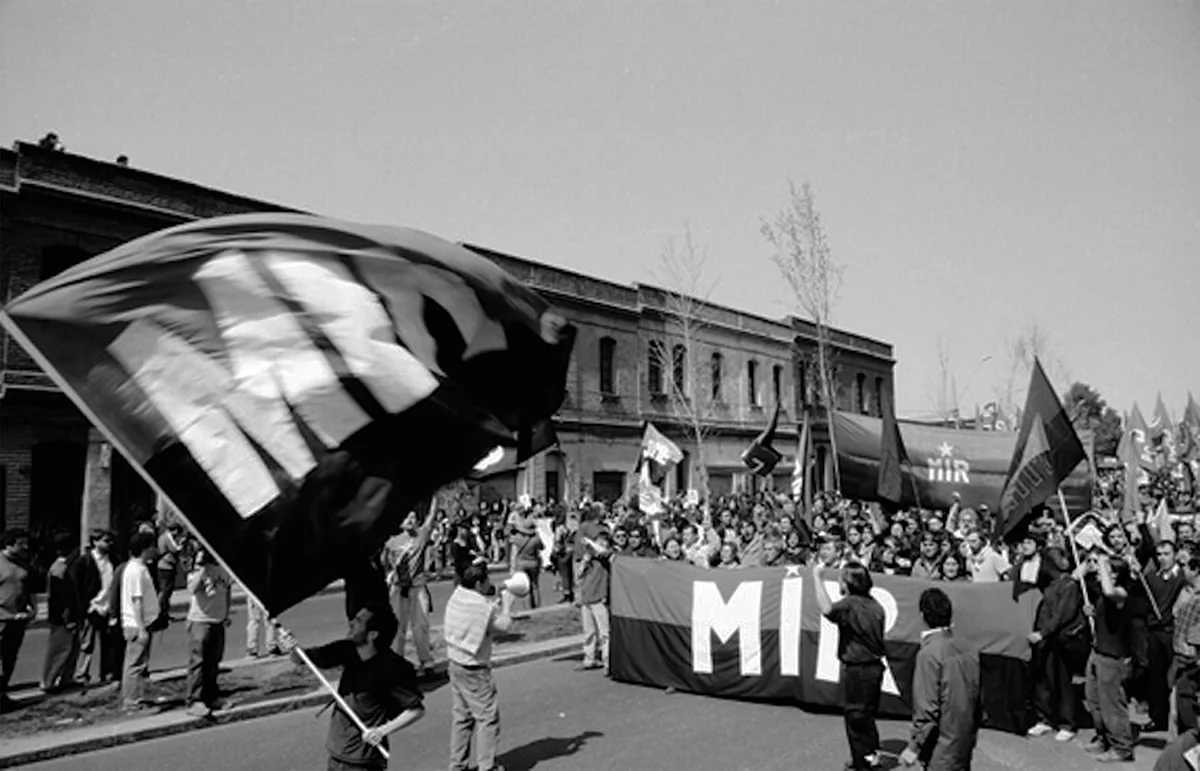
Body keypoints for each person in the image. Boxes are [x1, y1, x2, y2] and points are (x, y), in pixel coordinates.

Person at [285, 604, 425, 771]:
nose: (351, 622)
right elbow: (303, 658)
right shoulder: (346, 649)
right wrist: (292, 649)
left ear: (373, 634)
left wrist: (381, 731)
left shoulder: (391, 668)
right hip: (337, 750)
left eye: (359, 621)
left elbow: (416, 710)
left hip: (363, 759)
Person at [813, 561, 886, 770]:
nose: (839, 582)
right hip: (872, 669)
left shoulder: (850, 604)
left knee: (857, 719)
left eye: (841, 579)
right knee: (866, 719)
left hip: (859, 669)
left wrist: (817, 577)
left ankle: (865, 764)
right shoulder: (874, 604)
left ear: (849, 582)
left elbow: (827, 609)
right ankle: (867, 759)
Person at [898, 587, 981, 770]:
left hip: (941, 746)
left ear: (922, 615)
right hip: (964, 739)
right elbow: (977, 698)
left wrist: (914, 747)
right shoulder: (969, 647)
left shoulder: (929, 654)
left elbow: (927, 710)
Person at [443, 563, 516, 771]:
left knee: (462, 717)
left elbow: (483, 613)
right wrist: (508, 606)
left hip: (455, 662)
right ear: (477, 583)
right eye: (486, 582)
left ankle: (457, 765)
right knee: (487, 718)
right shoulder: (483, 607)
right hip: (474, 668)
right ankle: (487, 766)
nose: (489, 585)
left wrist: (495, 600)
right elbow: (502, 627)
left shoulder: (458, 596)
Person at [1080, 549, 1137, 763]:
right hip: (1098, 651)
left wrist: (1104, 563)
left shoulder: (1123, 591)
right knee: (1094, 700)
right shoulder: (1103, 593)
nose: (1097, 569)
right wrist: (1092, 612)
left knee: (1112, 703)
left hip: (1113, 658)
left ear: (1115, 573)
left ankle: (1122, 748)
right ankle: (1103, 738)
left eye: (1104, 569)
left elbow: (1109, 591)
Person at [1026, 546, 1088, 742]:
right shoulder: (1047, 584)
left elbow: (1063, 615)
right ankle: (1045, 719)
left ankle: (1067, 723)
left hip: (1060, 641)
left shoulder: (1068, 585)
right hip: (1045, 641)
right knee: (1043, 680)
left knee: (1062, 683)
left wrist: (1043, 633)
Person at [383, 506, 439, 674]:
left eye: (413, 517)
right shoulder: (392, 542)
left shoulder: (421, 536)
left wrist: (436, 496)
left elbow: (432, 517)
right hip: (398, 589)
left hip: (417, 587)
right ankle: (396, 660)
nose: (410, 520)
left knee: (420, 626)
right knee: (397, 627)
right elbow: (385, 563)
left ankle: (426, 660)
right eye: (406, 517)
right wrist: (389, 575)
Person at [185, 546, 232, 717]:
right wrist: (202, 569)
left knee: (213, 661)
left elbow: (227, 591)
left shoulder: (223, 569)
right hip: (200, 620)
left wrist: (226, 613)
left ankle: (211, 696)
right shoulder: (197, 571)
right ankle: (194, 700)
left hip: (217, 620)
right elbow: (191, 588)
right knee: (198, 662)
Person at [68, 528, 119, 684]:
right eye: (105, 540)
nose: (109, 544)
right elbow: (75, 586)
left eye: (110, 540)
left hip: (108, 607)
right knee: (87, 643)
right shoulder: (84, 562)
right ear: (95, 542)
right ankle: (81, 674)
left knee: (109, 642)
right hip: (91, 607)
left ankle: (108, 673)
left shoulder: (113, 560)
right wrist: (82, 607)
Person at [120, 530, 159, 711]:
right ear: (144, 549)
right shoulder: (135, 571)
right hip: (137, 624)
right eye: (152, 546)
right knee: (135, 664)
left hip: (144, 622)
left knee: (140, 663)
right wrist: (141, 628)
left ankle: (138, 697)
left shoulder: (141, 568)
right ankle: (132, 701)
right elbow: (137, 601)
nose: (155, 549)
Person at [42, 532, 81, 693]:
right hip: (61, 617)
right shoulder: (59, 569)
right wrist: (67, 617)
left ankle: (66, 678)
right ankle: (49, 681)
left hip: (66, 614)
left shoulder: (63, 567)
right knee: (59, 649)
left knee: (72, 648)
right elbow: (60, 597)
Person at [0, 529, 34, 712]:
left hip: (18, 619)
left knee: (10, 658)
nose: (25, 547)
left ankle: (2, 694)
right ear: (9, 544)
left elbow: (25, 588)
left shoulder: (22, 564)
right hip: (2, 619)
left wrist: (29, 606)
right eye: (21, 543)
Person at [577, 530, 611, 673]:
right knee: (589, 631)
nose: (599, 545)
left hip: (599, 598)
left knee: (604, 632)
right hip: (587, 599)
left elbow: (603, 552)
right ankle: (589, 657)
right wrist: (585, 560)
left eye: (603, 543)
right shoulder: (589, 560)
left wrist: (591, 543)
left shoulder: (605, 559)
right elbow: (579, 575)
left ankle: (607, 660)